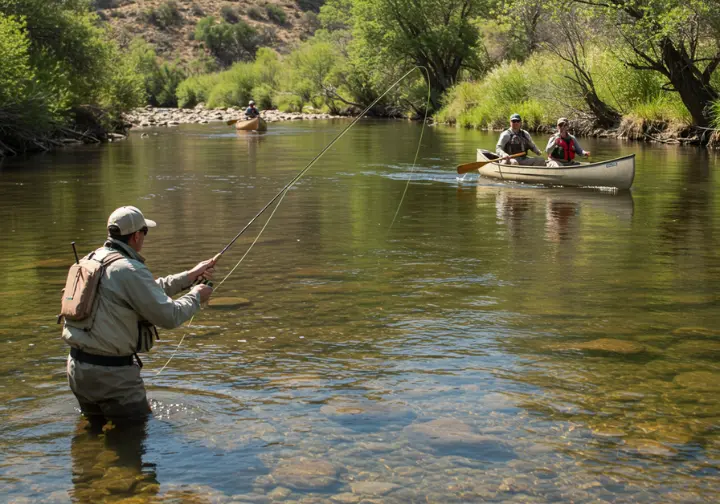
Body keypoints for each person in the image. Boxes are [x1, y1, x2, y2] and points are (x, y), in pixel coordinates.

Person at [63, 206, 215, 421]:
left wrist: (189, 277)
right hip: (112, 376)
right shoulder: (128, 268)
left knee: (93, 430)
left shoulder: (94, 259)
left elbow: (142, 291)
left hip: (77, 369)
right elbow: (169, 316)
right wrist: (197, 296)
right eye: (145, 232)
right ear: (136, 236)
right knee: (133, 437)